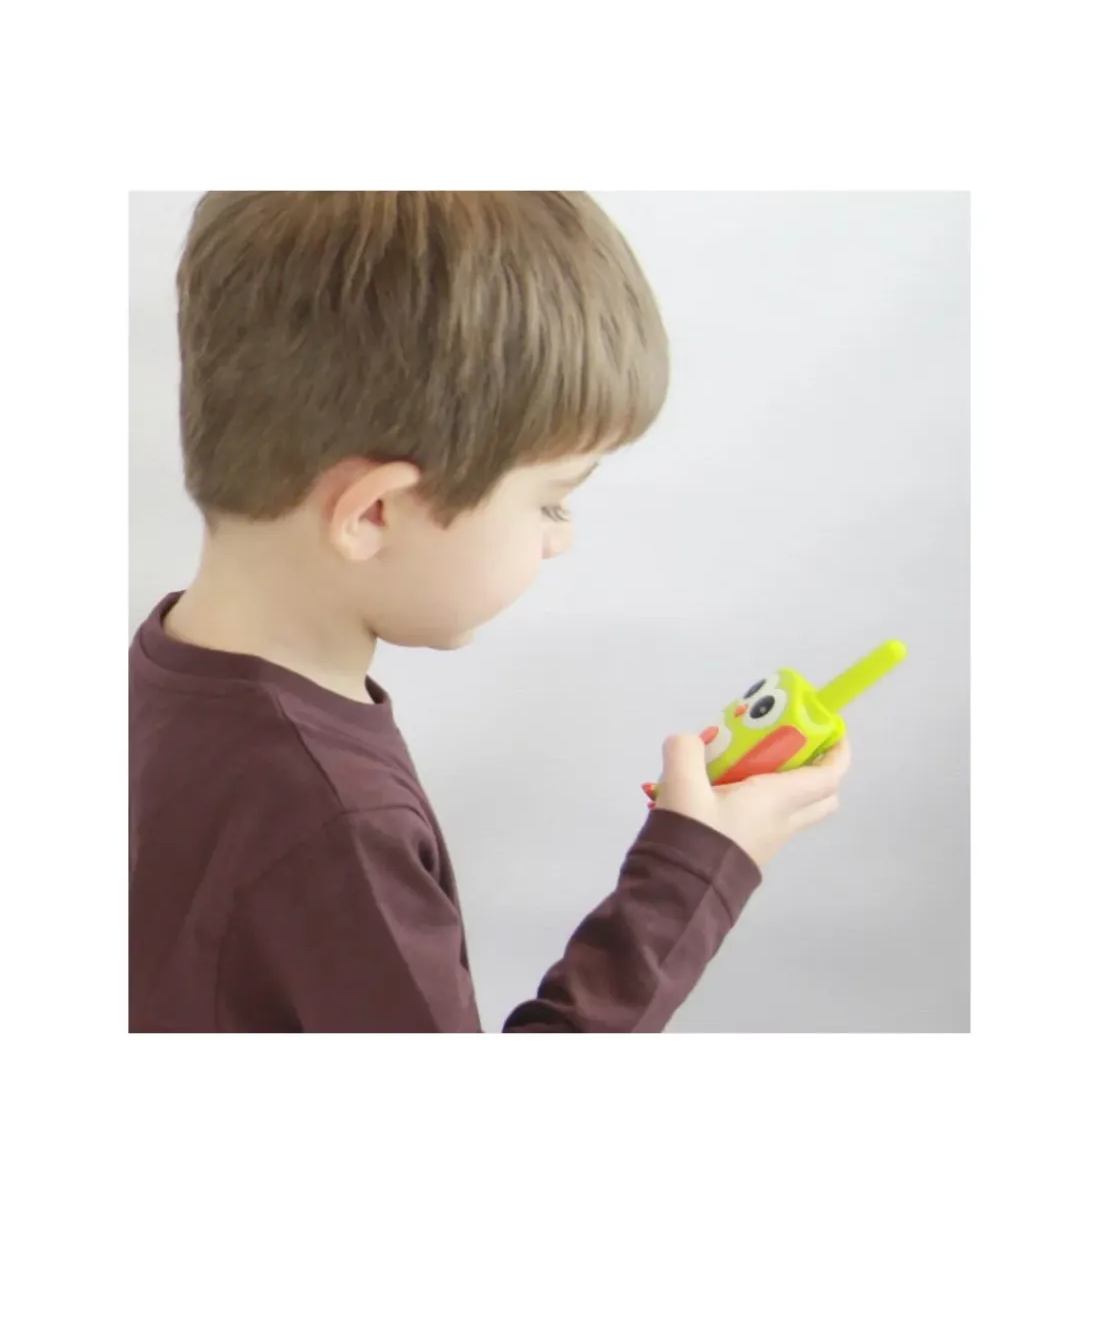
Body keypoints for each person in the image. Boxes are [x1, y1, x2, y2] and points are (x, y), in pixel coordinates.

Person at [129, 191, 850, 1032]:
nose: (562, 539)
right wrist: (692, 877)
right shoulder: (333, 822)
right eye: (551, 502)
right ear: (373, 512)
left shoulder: (159, 688)